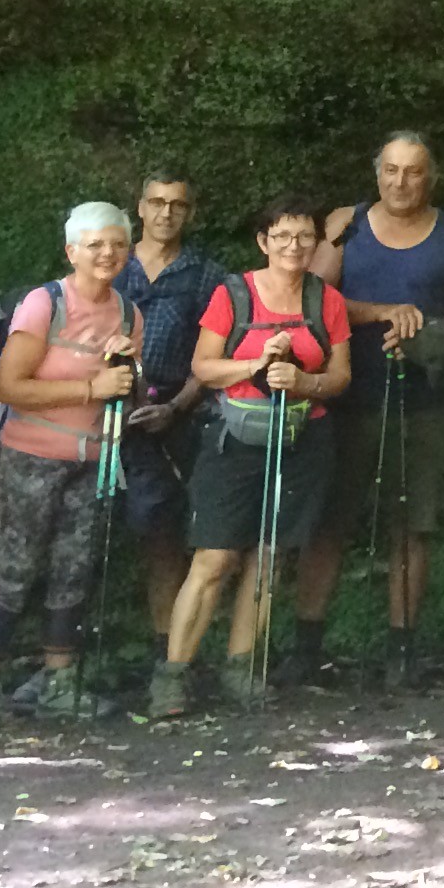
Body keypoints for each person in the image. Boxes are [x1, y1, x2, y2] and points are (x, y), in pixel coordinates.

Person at [296, 131, 444, 689]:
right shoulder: (344, 223)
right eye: (392, 171)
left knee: (413, 524)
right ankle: (306, 648)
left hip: (422, 398)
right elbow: (310, 298)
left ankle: (402, 653)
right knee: (329, 521)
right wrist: (385, 313)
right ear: (376, 173)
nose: (401, 182)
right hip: (343, 394)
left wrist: (431, 334)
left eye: (414, 172)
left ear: (432, 177)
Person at [151, 198, 351, 719]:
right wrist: (256, 362)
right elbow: (203, 366)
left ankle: (243, 667)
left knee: (269, 555)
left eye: (305, 237)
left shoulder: (325, 300)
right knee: (215, 557)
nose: (294, 246)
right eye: (282, 236)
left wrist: (305, 381)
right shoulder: (233, 294)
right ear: (262, 241)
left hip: (302, 437)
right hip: (233, 438)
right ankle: (173, 673)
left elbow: (341, 376)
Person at [0, 203, 143, 728]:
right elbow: (8, 385)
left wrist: (124, 367)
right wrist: (91, 385)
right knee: (16, 567)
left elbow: (131, 397)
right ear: (72, 252)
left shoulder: (130, 313)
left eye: (117, 244)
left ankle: (59, 681)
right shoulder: (44, 304)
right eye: (95, 245)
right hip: (30, 456)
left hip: (94, 460)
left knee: (75, 568)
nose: (107, 254)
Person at [117, 169, 218, 653]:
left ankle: (167, 651)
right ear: (139, 207)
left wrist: (177, 407)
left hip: (173, 416)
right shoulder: (110, 261)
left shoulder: (205, 275)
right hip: (99, 412)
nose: (165, 213)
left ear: (190, 213)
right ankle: (68, 657)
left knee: (164, 535)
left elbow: (215, 354)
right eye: (156, 202)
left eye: (177, 204)